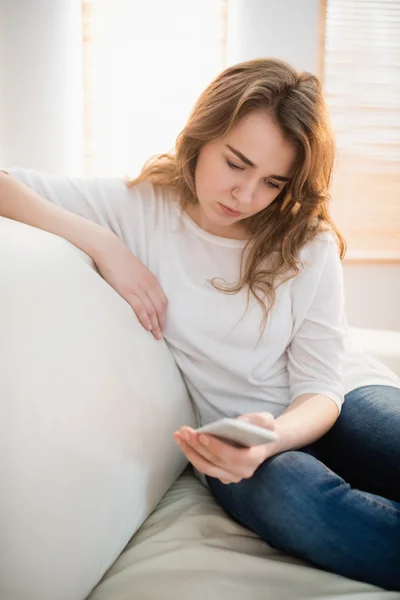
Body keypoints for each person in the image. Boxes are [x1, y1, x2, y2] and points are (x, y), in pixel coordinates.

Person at [0, 58, 399, 591]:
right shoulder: (138, 207)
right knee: (297, 501)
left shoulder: (306, 241)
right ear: (202, 135)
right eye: (236, 163)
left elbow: (322, 388)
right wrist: (105, 244)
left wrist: (276, 434)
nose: (246, 196)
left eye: (273, 182)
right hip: (230, 436)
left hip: (335, 398)